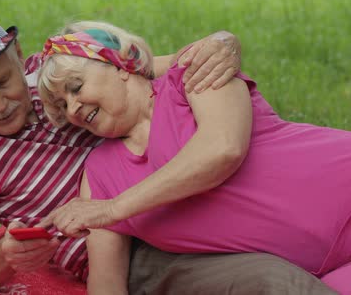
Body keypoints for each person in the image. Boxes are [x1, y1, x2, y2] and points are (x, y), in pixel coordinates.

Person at [0, 4, 335, 294]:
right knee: (270, 279)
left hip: (174, 199)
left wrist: (221, 43)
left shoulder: (50, 73)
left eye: (2, 83)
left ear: (17, 57)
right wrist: (8, 255)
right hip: (134, 251)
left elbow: (130, 64)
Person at [36, 21, 350, 294]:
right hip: (321, 271)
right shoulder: (101, 174)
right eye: (62, 106)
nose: (73, 108)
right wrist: (107, 210)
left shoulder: (191, 77)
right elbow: (107, 285)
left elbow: (222, 150)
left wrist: (115, 208)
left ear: (118, 65)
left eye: (76, 88)